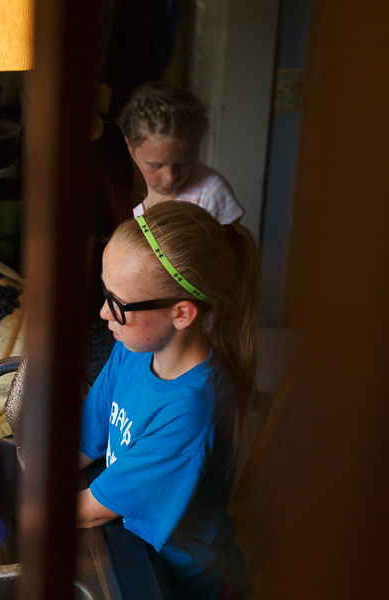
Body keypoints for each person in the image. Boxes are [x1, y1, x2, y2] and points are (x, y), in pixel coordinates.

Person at [78, 202, 256, 600]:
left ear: (181, 314)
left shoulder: (191, 411)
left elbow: (93, 509)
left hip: (173, 582)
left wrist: (23, 509)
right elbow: (84, 439)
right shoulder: (132, 347)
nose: (104, 312)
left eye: (119, 305)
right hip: (132, 546)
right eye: (105, 292)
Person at [118, 82, 244, 225]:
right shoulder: (120, 186)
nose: (169, 178)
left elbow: (232, 247)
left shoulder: (213, 193)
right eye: (156, 165)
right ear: (129, 147)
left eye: (183, 163)